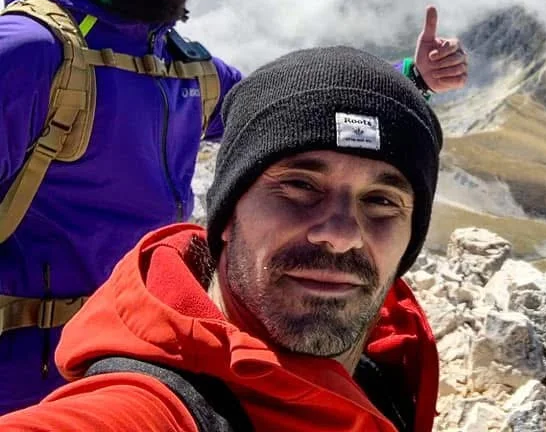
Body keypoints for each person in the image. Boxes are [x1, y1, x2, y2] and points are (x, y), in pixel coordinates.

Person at [0, 0, 468, 413]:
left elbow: (278, 117)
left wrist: (409, 78)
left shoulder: (185, 68)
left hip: (139, 355)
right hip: (29, 380)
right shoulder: (30, 52)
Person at [0, 46, 444, 432]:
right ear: (227, 214)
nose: (340, 234)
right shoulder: (162, 405)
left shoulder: (393, 368)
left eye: (383, 201)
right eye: (300, 186)